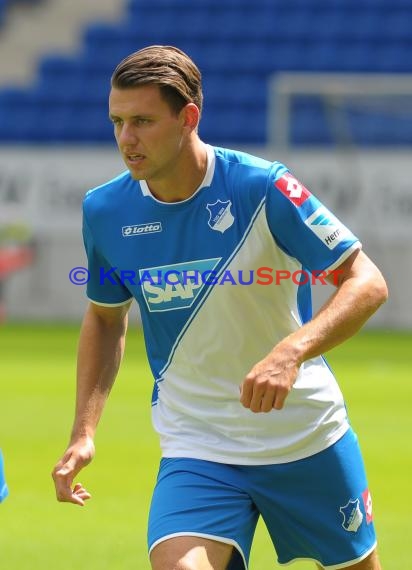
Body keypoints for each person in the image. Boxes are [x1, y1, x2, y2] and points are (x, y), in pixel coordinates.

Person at [52, 45, 388, 570]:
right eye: (117, 121)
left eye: (142, 121)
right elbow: (104, 316)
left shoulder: (262, 186)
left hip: (303, 436)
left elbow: (366, 281)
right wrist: (84, 431)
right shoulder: (105, 211)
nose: (125, 139)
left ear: (189, 118)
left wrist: (291, 352)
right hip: (197, 444)